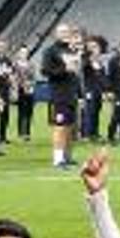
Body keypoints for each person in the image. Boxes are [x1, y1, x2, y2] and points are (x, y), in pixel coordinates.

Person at [38, 24, 84, 168]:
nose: (65, 34)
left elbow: (76, 76)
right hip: (59, 94)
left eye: (67, 31)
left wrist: (80, 95)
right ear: (55, 34)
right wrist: (64, 69)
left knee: (71, 128)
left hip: (72, 95)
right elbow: (45, 71)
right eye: (62, 32)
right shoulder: (50, 51)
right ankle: (57, 159)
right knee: (60, 127)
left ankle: (67, 156)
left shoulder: (71, 50)